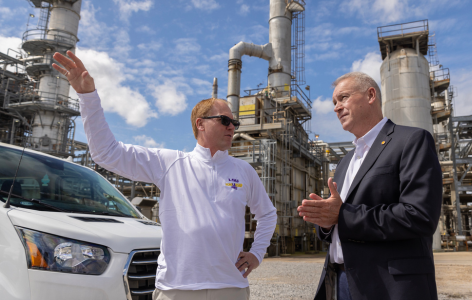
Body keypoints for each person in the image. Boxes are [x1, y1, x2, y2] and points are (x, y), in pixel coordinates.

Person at [52, 51, 277, 300]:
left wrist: (257, 253)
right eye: (224, 120)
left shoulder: (243, 170)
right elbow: (106, 153)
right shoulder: (171, 163)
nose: (232, 127)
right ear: (200, 124)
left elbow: (267, 213)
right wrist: (88, 97)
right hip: (177, 289)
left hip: (231, 287)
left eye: (234, 123)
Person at [297, 72, 442, 300]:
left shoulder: (411, 141)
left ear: (371, 95)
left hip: (388, 285)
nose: (336, 107)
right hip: (342, 281)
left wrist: (342, 215)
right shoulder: (346, 162)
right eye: (335, 102)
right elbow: (337, 222)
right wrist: (324, 222)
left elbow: (419, 216)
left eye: (343, 98)